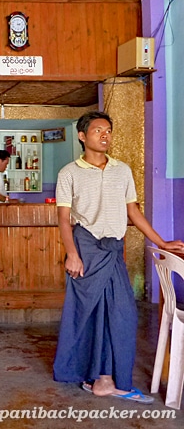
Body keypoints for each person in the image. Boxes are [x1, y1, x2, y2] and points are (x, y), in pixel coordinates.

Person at [53, 110, 184, 404]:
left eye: (109, 131)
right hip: (84, 247)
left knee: (123, 313)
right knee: (87, 315)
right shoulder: (69, 173)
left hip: (113, 248)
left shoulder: (122, 170)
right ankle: (99, 379)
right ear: (82, 136)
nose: (105, 135)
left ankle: (110, 379)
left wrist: (162, 241)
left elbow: (133, 211)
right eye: (98, 130)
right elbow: (63, 219)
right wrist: (71, 255)